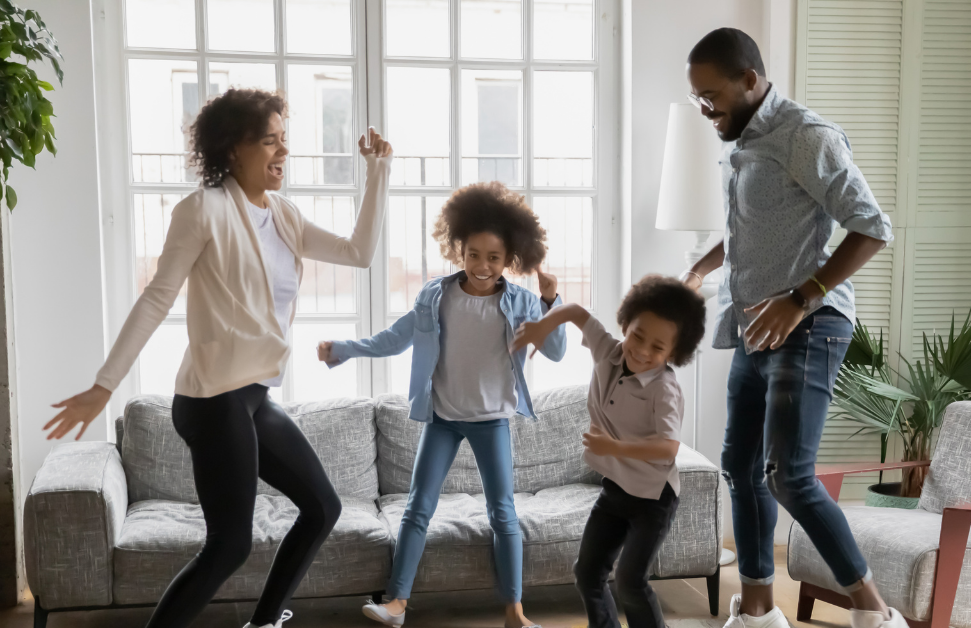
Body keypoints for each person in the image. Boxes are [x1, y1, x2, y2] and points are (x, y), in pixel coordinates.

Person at [42, 89, 393, 628]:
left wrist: (378, 175)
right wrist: (104, 384)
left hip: (251, 397)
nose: (282, 151)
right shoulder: (202, 210)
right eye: (269, 140)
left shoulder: (284, 215)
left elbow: (358, 253)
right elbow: (156, 297)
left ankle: (263, 622)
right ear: (233, 149)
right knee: (230, 545)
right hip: (211, 400)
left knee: (323, 508)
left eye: (285, 140)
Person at [680, 28, 905, 628]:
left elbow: (872, 226)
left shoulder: (806, 136)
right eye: (697, 97)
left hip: (810, 325)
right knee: (740, 465)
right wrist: (698, 270)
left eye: (711, 95)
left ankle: (876, 614)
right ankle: (757, 612)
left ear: (750, 80)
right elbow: (751, 227)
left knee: (788, 475)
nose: (704, 109)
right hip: (754, 328)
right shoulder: (745, 139)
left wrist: (803, 297)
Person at [317, 181, 566, 628]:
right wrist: (343, 348)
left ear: (510, 257)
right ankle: (396, 604)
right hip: (443, 418)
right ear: (458, 250)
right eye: (473, 254)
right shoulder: (437, 296)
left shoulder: (523, 302)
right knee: (417, 508)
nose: (483, 266)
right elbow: (392, 340)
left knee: (503, 514)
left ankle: (515, 612)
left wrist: (551, 300)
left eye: (494, 257)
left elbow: (558, 351)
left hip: (492, 422)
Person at [511, 275, 707, 628]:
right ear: (625, 324)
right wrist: (542, 326)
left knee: (631, 581)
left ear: (674, 353)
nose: (642, 350)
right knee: (587, 575)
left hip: (653, 499)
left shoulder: (665, 390)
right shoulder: (608, 350)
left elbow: (668, 448)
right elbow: (575, 310)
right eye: (637, 335)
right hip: (615, 490)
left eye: (658, 347)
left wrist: (614, 447)